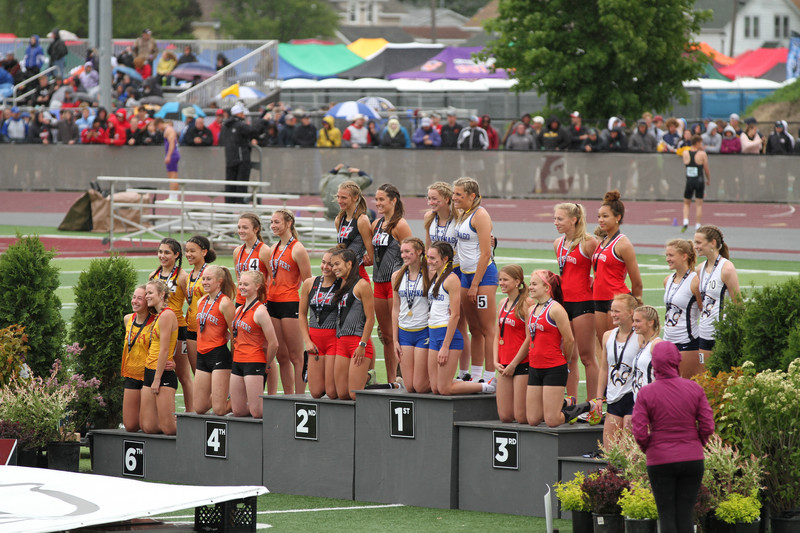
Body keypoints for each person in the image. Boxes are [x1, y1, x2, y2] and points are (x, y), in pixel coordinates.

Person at [632, 341, 714, 533]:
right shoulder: (694, 388)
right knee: (685, 514)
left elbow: (639, 431)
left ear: (654, 363)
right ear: (677, 361)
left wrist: (649, 448)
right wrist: (697, 443)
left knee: (666, 514)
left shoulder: (646, 393)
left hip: (660, 459)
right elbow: (708, 425)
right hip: (692, 457)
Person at [519, 270, 590, 427]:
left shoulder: (556, 309)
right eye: (530, 283)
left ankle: (589, 406)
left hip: (554, 367)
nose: (530, 287)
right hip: (535, 367)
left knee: (552, 421)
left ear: (547, 287)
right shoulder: (531, 310)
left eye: (534, 284)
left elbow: (569, 339)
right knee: (533, 419)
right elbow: (530, 338)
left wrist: (566, 360)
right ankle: (566, 401)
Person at [426, 242, 492, 395]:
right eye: (428, 257)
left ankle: (486, 387)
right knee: (435, 388)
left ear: (445, 259)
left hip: (446, 336)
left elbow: (455, 314)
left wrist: (445, 346)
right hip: (434, 334)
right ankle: (464, 383)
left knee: (444, 389)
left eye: (433, 258)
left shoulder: (452, 279)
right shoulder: (436, 277)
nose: (429, 261)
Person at [424, 181, 472, 381]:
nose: (431, 202)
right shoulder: (429, 217)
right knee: (440, 317)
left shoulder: (459, 217)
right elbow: (429, 248)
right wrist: (429, 275)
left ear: (446, 199)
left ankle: (464, 372)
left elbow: (470, 239)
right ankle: (445, 369)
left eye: (435, 198)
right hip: (437, 273)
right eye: (429, 198)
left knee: (459, 321)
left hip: (457, 271)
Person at [453, 177, 498, 384]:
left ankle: (490, 376)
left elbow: (485, 253)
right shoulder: (464, 214)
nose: (455, 198)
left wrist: (474, 284)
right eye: (454, 194)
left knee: (488, 329)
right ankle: (477, 375)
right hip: (466, 274)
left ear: (472, 196)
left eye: (458, 195)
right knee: (474, 329)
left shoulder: (480, 215)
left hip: (483, 277)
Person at [554, 203, 598, 404]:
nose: (556, 223)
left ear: (574, 219)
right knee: (568, 357)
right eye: (555, 219)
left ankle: (592, 405)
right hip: (564, 305)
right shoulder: (558, 243)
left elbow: (601, 273)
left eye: (560, 219)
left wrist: (593, 282)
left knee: (587, 358)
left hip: (584, 304)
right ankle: (571, 402)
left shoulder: (589, 243)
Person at [266, 209, 312, 395]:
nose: (273, 225)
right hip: (273, 303)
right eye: (272, 222)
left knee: (296, 356)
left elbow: (308, 281)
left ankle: (299, 398)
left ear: (288, 223)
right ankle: (288, 396)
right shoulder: (273, 248)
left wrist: (305, 310)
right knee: (281, 355)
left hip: (290, 304)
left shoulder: (298, 248)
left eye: (277, 222)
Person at [371, 184, 412, 383]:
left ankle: (403, 376)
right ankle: (391, 380)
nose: (378, 203)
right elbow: (373, 255)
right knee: (386, 336)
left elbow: (412, 253)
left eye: (381, 200)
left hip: (394, 284)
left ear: (393, 200)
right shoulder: (376, 224)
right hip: (378, 283)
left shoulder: (400, 225)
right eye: (376, 200)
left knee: (398, 333)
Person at [148, 238, 193, 413]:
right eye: (160, 252)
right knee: (158, 368)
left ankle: (191, 413)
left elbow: (191, 302)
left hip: (179, 330)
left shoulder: (183, 277)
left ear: (176, 255)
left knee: (183, 375)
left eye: (167, 252)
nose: (162, 256)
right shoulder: (153, 275)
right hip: (158, 328)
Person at [593, 190, 643, 344]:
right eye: (599, 216)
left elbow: (637, 282)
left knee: (618, 346)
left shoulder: (623, 243)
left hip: (616, 300)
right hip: (598, 299)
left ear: (618, 217)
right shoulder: (602, 241)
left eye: (605, 216)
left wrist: (634, 307)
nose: (601, 220)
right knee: (604, 347)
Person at [691, 225, 740, 372]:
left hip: (721, 334)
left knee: (719, 379)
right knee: (704, 377)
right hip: (704, 332)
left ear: (712, 243)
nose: (695, 246)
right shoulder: (700, 268)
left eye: (699, 243)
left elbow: (738, 303)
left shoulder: (727, 268)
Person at [231, 271, 279, 416]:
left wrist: (267, 364)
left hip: (254, 361)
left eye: (246, 284)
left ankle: (278, 419)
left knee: (257, 411)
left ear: (257, 286)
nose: (242, 287)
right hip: (237, 361)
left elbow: (274, 343)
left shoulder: (260, 311)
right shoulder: (239, 309)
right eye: (240, 284)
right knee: (238, 411)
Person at [330, 248, 376, 400]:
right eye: (332, 265)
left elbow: (370, 318)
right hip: (341, 343)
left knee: (355, 394)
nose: (334, 268)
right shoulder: (341, 285)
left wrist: (362, 345)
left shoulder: (362, 285)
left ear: (349, 264)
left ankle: (391, 386)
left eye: (337, 264)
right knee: (342, 394)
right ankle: (367, 379)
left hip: (358, 343)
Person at [595, 293, 639, 449]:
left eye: (617, 311)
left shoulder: (640, 338)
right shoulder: (607, 336)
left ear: (631, 313)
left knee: (629, 452)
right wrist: (599, 397)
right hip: (613, 398)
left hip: (632, 398)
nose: (612, 314)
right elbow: (604, 369)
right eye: (612, 310)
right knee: (610, 451)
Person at [193, 265, 234, 415]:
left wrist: (235, 359)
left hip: (219, 354)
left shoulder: (225, 303)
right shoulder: (201, 302)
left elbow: (234, 333)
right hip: (202, 355)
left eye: (209, 279)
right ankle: (228, 395)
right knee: (199, 407)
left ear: (219, 282)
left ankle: (242, 399)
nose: (204, 282)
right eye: (203, 278)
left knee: (219, 409)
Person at [300, 248, 341, 399]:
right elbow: (302, 315)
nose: (325, 267)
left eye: (330, 264)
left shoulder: (342, 285)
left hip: (333, 341)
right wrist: (307, 341)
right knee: (316, 392)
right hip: (315, 341)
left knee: (332, 392)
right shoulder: (310, 283)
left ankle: (366, 378)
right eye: (323, 262)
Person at [391, 238, 431, 393]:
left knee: (420, 386)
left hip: (424, 331)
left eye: (408, 252)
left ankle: (445, 381)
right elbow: (395, 309)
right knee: (410, 387)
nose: (404, 255)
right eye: (402, 252)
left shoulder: (430, 273)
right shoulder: (397, 276)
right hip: (405, 332)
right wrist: (395, 340)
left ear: (419, 252)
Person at [141, 279, 178, 435]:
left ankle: (194, 431)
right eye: (146, 293)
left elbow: (164, 350)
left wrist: (157, 378)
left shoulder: (167, 315)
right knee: (148, 427)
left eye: (150, 293)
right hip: (149, 371)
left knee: (168, 428)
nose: (146, 296)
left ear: (162, 294)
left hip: (161, 375)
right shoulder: (158, 315)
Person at [493, 265, 529, 423]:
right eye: (500, 279)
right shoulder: (502, 303)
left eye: (505, 280)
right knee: (505, 416)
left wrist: (514, 364)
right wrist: (495, 361)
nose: (501, 283)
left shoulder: (526, 304)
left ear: (517, 281)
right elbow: (497, 335)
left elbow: (529, 337)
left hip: (521, 363)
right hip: (503, 363)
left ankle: (561, 404)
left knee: (521, 417)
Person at [663, 239, 702, 377]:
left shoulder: (695, 281)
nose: (668, 259)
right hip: (668, 341)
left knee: (684, 385)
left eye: (671, 255)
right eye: (667, 255)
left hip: (687, 342)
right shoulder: (668, 280)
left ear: (684, 256)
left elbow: (704, 311)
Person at [121, 286, 155, 432]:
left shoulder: (156, 322)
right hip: (131, 374)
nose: (134, 301)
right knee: (130, 425)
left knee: (146, 425)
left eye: (139, 298)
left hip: (149, 376)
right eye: (134, 297)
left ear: (148, 301)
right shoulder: (128, 319)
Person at [184, 236, 216, 379]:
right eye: (186, 251)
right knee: (198, 374)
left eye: (192, 251)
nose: (188, 254)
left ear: (204, 252)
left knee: (211, 374)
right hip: (191, 328)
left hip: (208, 328)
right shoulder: (189, 275)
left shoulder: (212, 272)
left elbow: (221, 299)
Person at [335, 180, 374, 281]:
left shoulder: (362, 220)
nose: (339, 201)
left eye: (344, 197)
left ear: (355, 198)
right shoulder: (339, 219)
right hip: (342, 273)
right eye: (338, 197)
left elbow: (371, 256)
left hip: (357, 273)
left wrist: (364, 259)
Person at [222, 104, 259, 204]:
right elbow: (254, 131)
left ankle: (229, 207)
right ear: (239, 113)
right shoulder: (240, 125)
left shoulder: (225, 125)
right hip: (241, 158)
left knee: (230, 183)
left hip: (230, 158)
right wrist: (263, 120)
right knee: (241, 184)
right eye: (242, 113)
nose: (244, 115)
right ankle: (240, 207)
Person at [233, 213, 272, 307]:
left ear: (256, 229)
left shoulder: (265, 250)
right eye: (239, 227)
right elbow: (238, 277)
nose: (241, 231)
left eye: (245, 228)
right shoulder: (237, 251)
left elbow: (273, 278)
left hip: (259, 302)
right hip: (240, 301)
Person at [631, 305, 662, 401]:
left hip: (651, 403)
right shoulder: (645, 345)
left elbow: (663, 376)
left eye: (638, 321)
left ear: (650, 322)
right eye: (633, 320)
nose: (633, 324)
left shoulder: (656, 345)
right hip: (640, 404)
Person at [681, 135, 710, 233]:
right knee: (699, 204)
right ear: (697, 143)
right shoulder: (702, 154)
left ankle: (685, 220)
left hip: (689, 180)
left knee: (686, 203)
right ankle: (697, 225)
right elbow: (706, 168)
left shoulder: (685, 153)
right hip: (699, 181)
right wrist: (708, 179)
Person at [154, 119, 180, 201]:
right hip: (173, 154)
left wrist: (168, 155)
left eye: (158, 127)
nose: (159, 129)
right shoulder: (169, 129)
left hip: (172, 154)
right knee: (174, 176)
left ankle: (172, 197)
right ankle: (174, 197)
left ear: (160, 124)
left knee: (172, 177)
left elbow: (172, 143)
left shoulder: (168, 130)